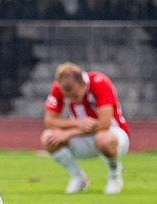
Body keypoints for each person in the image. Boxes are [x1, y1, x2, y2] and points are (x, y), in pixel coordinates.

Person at [42, 62, 130, 194]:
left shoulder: (99, 82)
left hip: (114, 135)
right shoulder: (58, 87)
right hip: (83, 136)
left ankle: (114, 176)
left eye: (76, 96)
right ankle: (78, 177)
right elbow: (49, 121)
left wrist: (69, 132)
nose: (73, 100)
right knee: (48, 138)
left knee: (103, 139)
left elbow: (104, 124)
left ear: (83, 83)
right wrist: (77, 123)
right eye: (69, 98)